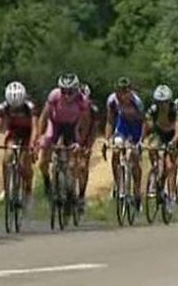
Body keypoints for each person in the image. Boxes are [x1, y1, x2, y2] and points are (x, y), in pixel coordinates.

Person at [34, 73, 88, 198]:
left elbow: (85, 122)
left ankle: (70, 186)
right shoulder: (54, 95)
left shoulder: (82, 100)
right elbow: (44, 116)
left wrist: (80, 142)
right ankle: (47, 181)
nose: (67, 95)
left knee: (73, 160)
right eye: (64, 91)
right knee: (43, 158)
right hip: (55, 124)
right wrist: (39, 136)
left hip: (72, 126)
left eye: (71, 92)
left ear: (76, 90)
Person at [0, 81, 39, 210]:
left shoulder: (30, 106)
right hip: (13, 133)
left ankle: (28, 192)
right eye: (13, 107)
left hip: (27, 133)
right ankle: (6, 188)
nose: (15, 109)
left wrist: (32, 144)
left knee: (25, 164)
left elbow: (35, 127)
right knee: (7, 158)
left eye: (17, 107)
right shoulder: (3, 106)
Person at [103, 76, 145, 208]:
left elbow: (144, 122)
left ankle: (137, 192)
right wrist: (107, 139)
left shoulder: (137, 102)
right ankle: (118, 185)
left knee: (134, 157)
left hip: (136, 128)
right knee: (116, 151)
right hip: (122, 127)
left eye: (126, 91)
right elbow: (110, 121)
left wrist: (141, 141)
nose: (123, 94)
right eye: (120, 91)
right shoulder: (112, 100)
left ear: (130, 91)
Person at [142, 85, 178, 209]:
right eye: (159, 103)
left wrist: (174, 143)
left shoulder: (175, 110)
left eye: (165, 102)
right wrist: (143, 140)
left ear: (169, 101)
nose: (162, 105)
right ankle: (156, 170)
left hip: (172, 135)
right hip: (159, 133)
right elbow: (147, 126)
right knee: (153, 147)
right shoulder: (153, 110)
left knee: (171, 167)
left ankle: (171, 197)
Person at [75, 83, 100, 211]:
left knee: (83, 166)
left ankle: (81, 196)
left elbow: (94, 130)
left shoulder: (93, 110)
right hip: (72, 137)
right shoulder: (72, 107)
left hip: (86, 138)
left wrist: (88, 146)